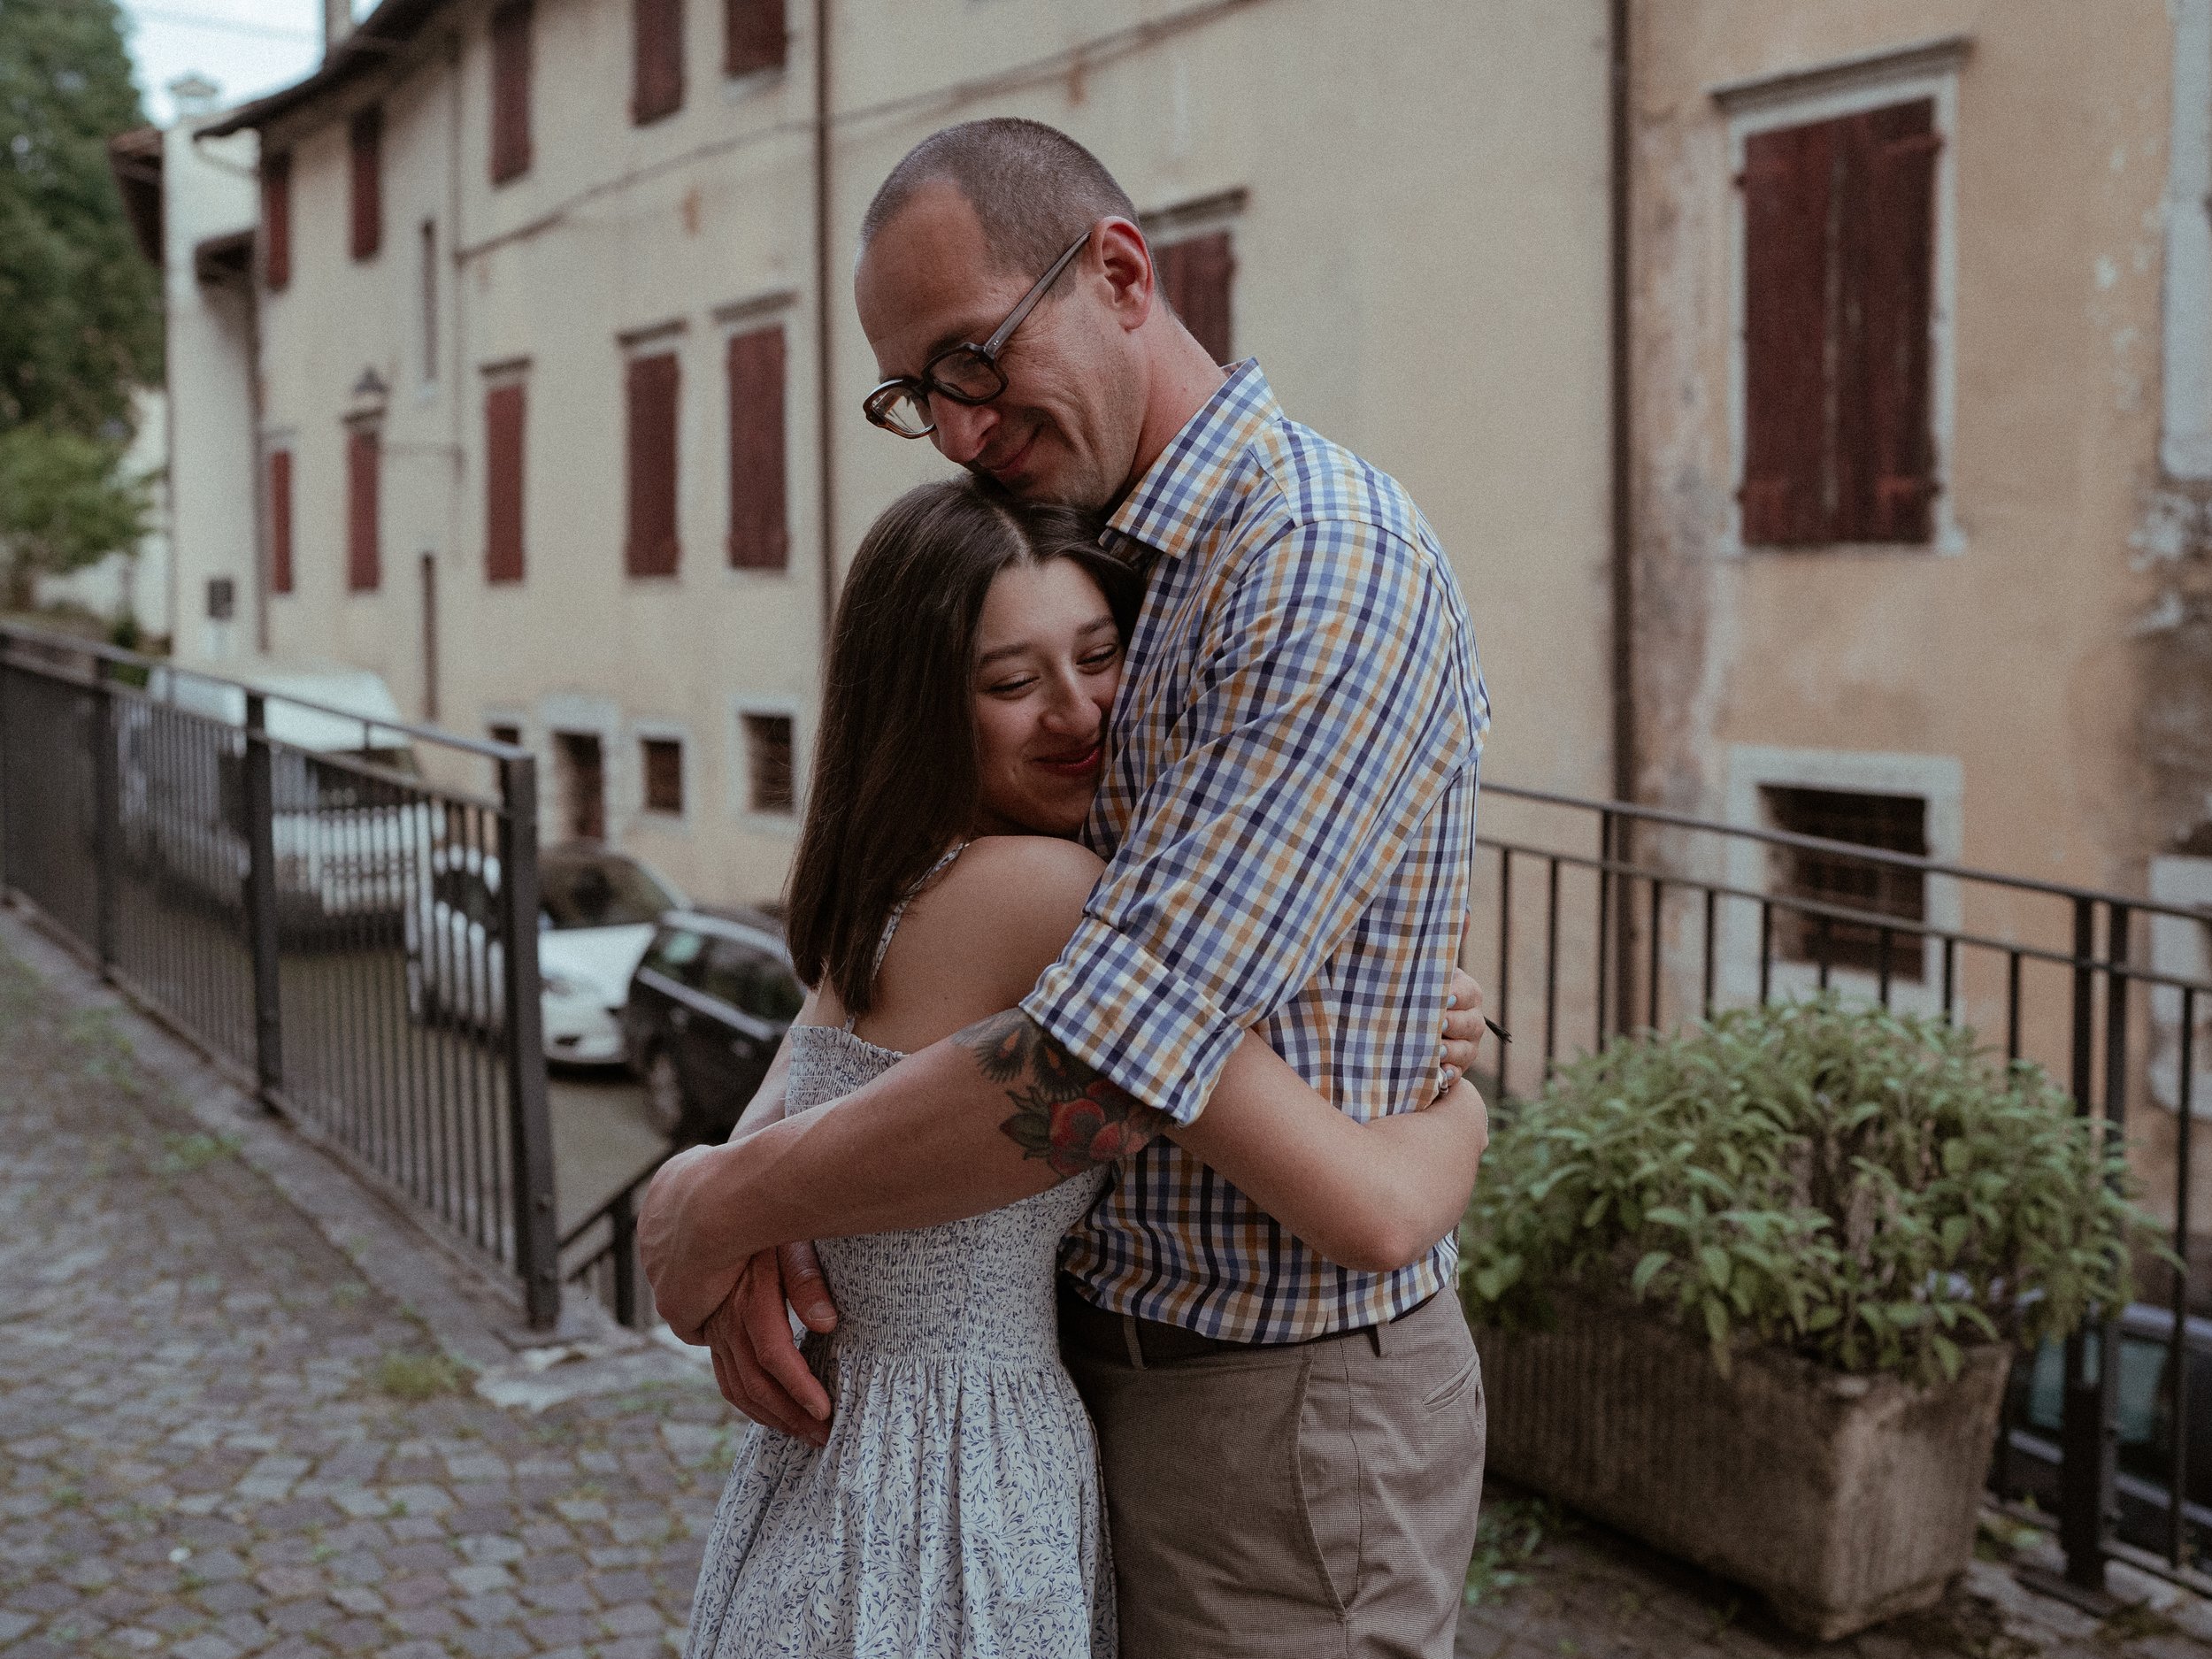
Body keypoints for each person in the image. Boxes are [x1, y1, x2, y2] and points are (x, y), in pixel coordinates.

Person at [645, 117, 1493, 1655]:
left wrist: (719, 1198)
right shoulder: (1122, 551)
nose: (958, 429)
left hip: (1271, 1403)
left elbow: (1107, 1062)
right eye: (918, 394)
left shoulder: (1317, 563)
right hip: (1097, 1380)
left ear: (1119, 274)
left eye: (975, 358)